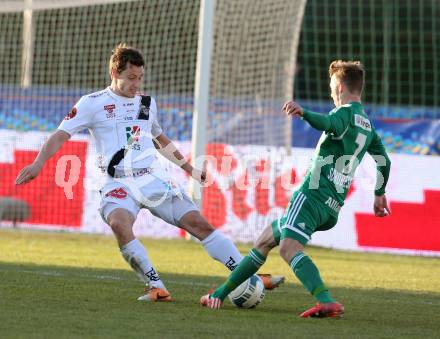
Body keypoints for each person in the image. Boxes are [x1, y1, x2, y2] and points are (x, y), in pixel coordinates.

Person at [15, 43, 283, 302]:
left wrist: (188, 168)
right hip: (117, 182)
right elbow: (60, 135)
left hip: (154, 178)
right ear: (114, 73)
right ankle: (156, 287)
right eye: (131, 78)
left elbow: (160, 139)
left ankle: (253, 277)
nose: (137, 84)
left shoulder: (146, 103)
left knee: (199, 225)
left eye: (140, 77)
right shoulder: (91, 103)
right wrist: (39, 163)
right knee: (120, 224)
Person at [200, 60, 392, 318]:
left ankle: (326, 300)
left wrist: (304, 113)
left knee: (288, 249)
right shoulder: (367, 125)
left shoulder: (343, 114)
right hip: (332, 205)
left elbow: (327, 123)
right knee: (265, 240)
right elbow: (384, 160)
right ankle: (219, 295)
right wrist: (379, 193)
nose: (331, 92)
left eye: (332, 86)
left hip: (312, 196)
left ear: (341, 86)